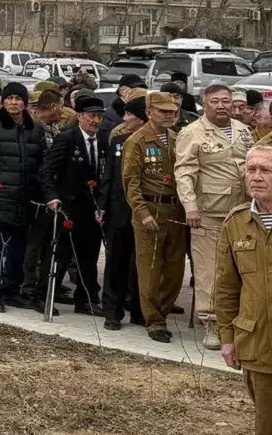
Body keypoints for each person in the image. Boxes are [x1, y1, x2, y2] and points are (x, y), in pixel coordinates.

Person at [215, 145, 272, 435]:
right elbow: (226, 285)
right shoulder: (237, 222)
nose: (256, 176)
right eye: (251, 169)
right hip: (258, 344)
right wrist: (227, 337)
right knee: (270, 431)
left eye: (266, 170)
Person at [174, 83, 251, 349]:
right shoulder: (192, 133)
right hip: (208, 213)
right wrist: (190, 206)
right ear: (204, 105)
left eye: (226, 101)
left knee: (241, 267)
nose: (221, 106)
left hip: (240, 211)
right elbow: (184, 171)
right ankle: (212, 324)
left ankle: (238, 322)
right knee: (210, 270)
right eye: (215, 101)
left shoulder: (243, 131)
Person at [0, 82, 44, 312]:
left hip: (25, 198)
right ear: (3, 102)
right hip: (0, 197)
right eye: (9, 98)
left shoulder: (36, 128)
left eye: (18, 99)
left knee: (19, 249)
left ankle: (12, 290)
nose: (14, 103)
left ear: (25, 103)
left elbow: (42, 164)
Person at [122, 91, 185, 343]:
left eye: (172, 111)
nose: (169, 116)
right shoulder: (137, 141)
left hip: (175, 210)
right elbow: (130, 182)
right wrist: (142, 211)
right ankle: (154, 320)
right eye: (163, 111)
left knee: (174, 269)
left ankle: (164, 311)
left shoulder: (177, 138)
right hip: (150, 209)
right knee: (149, 268)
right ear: (149, 112)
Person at [38, 93, 107, 315]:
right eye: (91, 116)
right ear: (79, 117)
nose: (95, 121)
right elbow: (47, 170)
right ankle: (44, 295)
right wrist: (52, 196)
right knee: (59, 254)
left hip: (92, 208)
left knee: (89, 255)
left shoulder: (103, 139)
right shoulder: (67, 138)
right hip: (68, 206)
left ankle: (86, 298)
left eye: (98, 117)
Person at [99, 95, 147, 330]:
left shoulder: (154, 143)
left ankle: (139, 310)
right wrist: (102, 206)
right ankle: (112, 311)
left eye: (129, 115)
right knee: (116, 261)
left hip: (144, 211)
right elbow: (108, 176)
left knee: (142, 263)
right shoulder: (118, 141)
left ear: (141, 119)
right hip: (118, 209)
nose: (124, 119)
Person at [23, 86, 70, 302]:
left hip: (48, 194)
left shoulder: (50, 128)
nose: (62, 111)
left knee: (44, 242)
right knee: (34, 242)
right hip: (36, 194)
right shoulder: (32, 127)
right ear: (52, 106)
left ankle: (44, 284)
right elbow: (36, 163)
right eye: (60, 106)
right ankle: (28, 285)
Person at [99, 73, 147, 143]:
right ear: (122, 91)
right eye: (135, 89)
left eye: (142, 89)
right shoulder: (110, 116)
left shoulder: (147, 111)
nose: (139, 92)